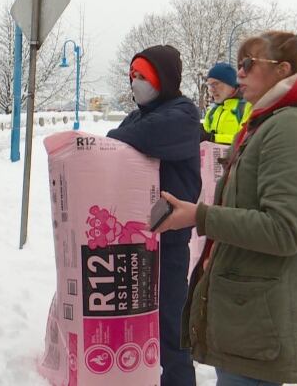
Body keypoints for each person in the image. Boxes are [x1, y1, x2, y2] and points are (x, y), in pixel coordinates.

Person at [156, 32, 297, 386]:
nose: (239, 73)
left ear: (281, 70)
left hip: (267, 325)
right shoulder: (272, 121)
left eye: (248, 64)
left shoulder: (291, 127)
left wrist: (200, 216)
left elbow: (285, 230)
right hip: (255, 322)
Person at [105, 44, 201, 386]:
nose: (135, 83)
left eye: (142, 76)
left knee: (170, 333)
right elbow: (114, 143)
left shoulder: (183, 114)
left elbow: (134, 138)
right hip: (134, 243)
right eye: (132, 76)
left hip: (168, 242)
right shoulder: (138, 115)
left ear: (163, 79)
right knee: (133, 328)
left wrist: (119, 140)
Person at [201, 62, 252, 145]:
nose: (212, 90)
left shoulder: (246, 108)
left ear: (231, 84)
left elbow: (247, 140)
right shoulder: (212, 112)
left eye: (216, 84)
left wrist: (214, 138)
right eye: (210, 85)